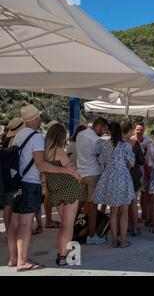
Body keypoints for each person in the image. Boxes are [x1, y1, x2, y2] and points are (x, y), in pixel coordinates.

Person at [7, 105, 79, 272]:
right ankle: (23, 261)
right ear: (36, 119)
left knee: (14, 223)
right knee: (26, 223)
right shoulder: (36, 137)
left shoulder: (16, 137)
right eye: (39, 117)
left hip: (16, 183)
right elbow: (41, 164)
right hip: (30, 183)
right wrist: (66, 170)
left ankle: (13, 258)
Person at [93, 121, 135, 248]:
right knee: (124, 212)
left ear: (109, 131)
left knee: (113, 211)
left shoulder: (103, 145)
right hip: (123, 177)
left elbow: (100, 161)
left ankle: (113, 241)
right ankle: (122, 241)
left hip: (109, 178)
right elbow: (132, 162)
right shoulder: (126, 145)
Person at [44, 123, 81, 266]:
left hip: (55, 191)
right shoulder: (58, 151)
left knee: (63, 225)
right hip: (69, 189)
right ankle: (64, 257)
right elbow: (71, 169)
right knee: (68, 225)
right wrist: (78, 176)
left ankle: (61, 254)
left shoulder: (44, 153)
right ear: (60, 136)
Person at [76, 117, 109, 245]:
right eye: (105, 129)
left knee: (79, 204)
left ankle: (69, 229)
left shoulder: (80, 134)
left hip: (80, 173)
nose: (105, 132)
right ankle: (91, 235)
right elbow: (102, 157)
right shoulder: (97, 140)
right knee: (93, 207)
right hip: (93, 174)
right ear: (99, 126)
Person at [0, 118, 24, 235]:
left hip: (6, 176)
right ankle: (11, 232)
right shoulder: (16, 140)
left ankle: (9, 230)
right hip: (13, 176)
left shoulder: (7, 140)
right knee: (11, 206)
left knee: (7, 206)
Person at [122, 120, 145, 237]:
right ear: (131, 130)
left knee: (121, 204)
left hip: (120, 175)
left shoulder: (116, 143)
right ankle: (135, 227)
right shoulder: (135, 144)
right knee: (133, 202)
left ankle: (123, 228)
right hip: (133, 175)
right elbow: (141, 160)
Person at [131, 121, 151, 226]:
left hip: (145, 170)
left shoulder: (147, 140)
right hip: (135, 171)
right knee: (135, 195)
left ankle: (144, 215)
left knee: (145, 195)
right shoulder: (131, 141)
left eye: (141, 129)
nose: (139, 131)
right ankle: (135, 217)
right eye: (138, 129)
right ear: (134, 130)